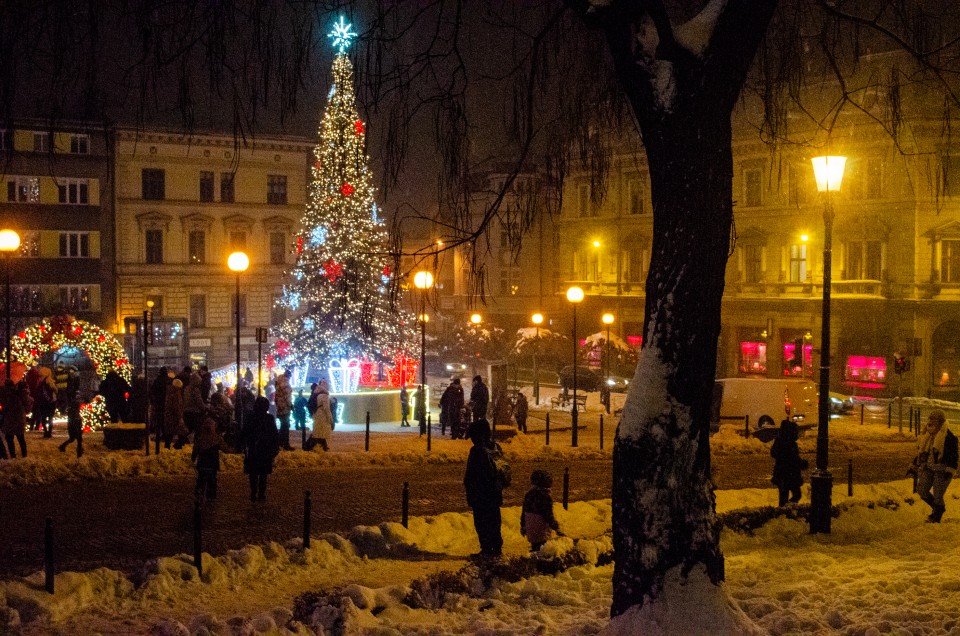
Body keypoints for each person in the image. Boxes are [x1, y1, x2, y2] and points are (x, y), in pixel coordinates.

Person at [463, 419, 504, 558]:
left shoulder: (477, 451)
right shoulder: (495, 447)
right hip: (495, 493)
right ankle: (496, 548)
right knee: (494, 520)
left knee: (481, 522)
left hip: (480, 495)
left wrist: (470, 490)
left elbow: (473, 474)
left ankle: (487, 549)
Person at [912, 409, 959, 523]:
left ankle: (936, 515)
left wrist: (949, 470)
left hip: (942, 469)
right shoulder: (927, 436)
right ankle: (938, 508)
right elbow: (922, 452)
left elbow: (953, 456)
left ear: (941, 422)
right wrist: (914, 465)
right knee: (922, 490)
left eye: (934, 420)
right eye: (930, 419)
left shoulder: (948, 437)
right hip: (928, 467)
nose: (931, 422)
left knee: (938, 494)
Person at [241, 396, 280, 502]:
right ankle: (261, 493)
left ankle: (254, 492)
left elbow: (244, 432)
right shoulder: (269, 418)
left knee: (253, 473)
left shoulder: (250, 417)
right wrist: (275, 447)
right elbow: (274, 434)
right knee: (263, 473)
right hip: (264, 449)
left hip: (253, 448)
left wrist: (244, 444)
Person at [521, 469, 561, 552]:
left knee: (535, 545)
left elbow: (523, 512)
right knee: (542, 548)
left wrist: (523, 526)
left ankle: (534, 553)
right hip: (541, 530)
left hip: (530, 528)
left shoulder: (529, 494)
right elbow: (548, 514)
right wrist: (555, 526)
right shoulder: (545, 496)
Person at [770, 418, 807, 506]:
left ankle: (786, 511)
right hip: (790, 474)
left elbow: (775, 454)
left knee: (784, 497)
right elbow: (793, 458)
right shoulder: (789, 443)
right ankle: (787, 510)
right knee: (795, 495)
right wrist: (801, 463)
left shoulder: (780, 441)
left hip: (783, 474)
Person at [192, 415, 222, 503]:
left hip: (202, 463)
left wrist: (193, 458)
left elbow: (195, 449)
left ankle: (199, 493)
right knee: (212, 480)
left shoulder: (200, 438)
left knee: (200, 479)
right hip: (213, 464)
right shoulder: (217, 438)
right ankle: (211, 496)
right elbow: (225, 448)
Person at [1, 379, 32, 458]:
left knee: (9, 438)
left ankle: (13, 456)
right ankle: (24, 455)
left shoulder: (6, 395)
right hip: (19, 418)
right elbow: (28, 403)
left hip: (9, 419)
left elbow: (5, 408)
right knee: (21, 438)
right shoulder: (18, 393)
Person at [306, 382, 333, 451]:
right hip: (322, 415)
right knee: (320, 432)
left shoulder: (316, 394)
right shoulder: (324, 396)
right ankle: (309, 446)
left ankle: (323, 446)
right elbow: (326, 408)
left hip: (317, 414)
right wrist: (330, 419)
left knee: (319, 431)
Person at [59, 385, 84, 457]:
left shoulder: (70, 402)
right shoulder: (73, 402)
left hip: (73, 420)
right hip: (75, 420)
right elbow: (76, 407)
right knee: (77, 437)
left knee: (74, 438)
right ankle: (79, 452)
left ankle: (64, 446)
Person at [164, 377, 187, 449]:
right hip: (174, 417)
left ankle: (167, 448)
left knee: (170, 433)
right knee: (183, 433)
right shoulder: (176, 394)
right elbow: (177, 407)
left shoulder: (169, 392)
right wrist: (180, 417)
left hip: (169, 416)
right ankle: (177, 446)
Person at [274, 370, 294, 450]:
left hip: (279, 406)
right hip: (284, 407)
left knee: (283, 425)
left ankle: (280, 443)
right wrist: (291, 405)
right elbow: (287, 397)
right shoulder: (285, 384)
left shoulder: (278, 382)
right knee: (285, 426)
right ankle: (285, 444)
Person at [182, 371, 205, 436]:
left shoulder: (187, 388)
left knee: (188, 430)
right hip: (194, 412)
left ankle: (179, 443)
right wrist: (204, 408)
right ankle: (197, 443)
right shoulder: (195, 390)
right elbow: (199, 401)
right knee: (198, 430)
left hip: (186, 411)